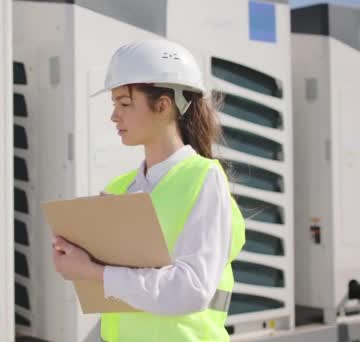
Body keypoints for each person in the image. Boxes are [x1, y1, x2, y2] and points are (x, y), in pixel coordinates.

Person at [51, 39, 246, 341]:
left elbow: (191, 289)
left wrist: (92, 272)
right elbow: (112, 289)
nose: (114, 116)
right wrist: (74, 258)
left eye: (125, 104)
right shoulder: (120, 189)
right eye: (114, 104)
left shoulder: (204, 178)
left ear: (164, 106)